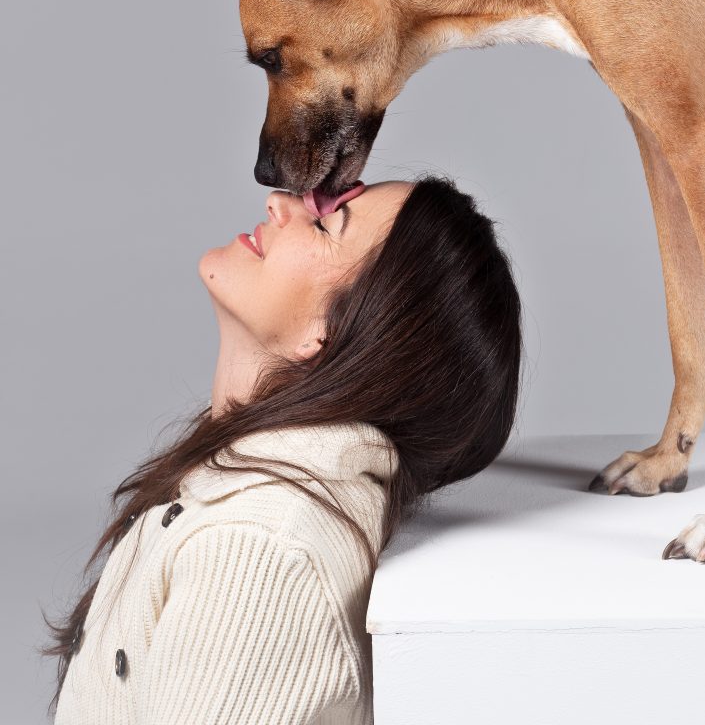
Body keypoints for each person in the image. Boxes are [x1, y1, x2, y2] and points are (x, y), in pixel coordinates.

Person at [43, 175, 522, 724]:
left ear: (330, 333)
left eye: (323, 223)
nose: (279, 203)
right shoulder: (254, 488)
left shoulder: (258, 552)